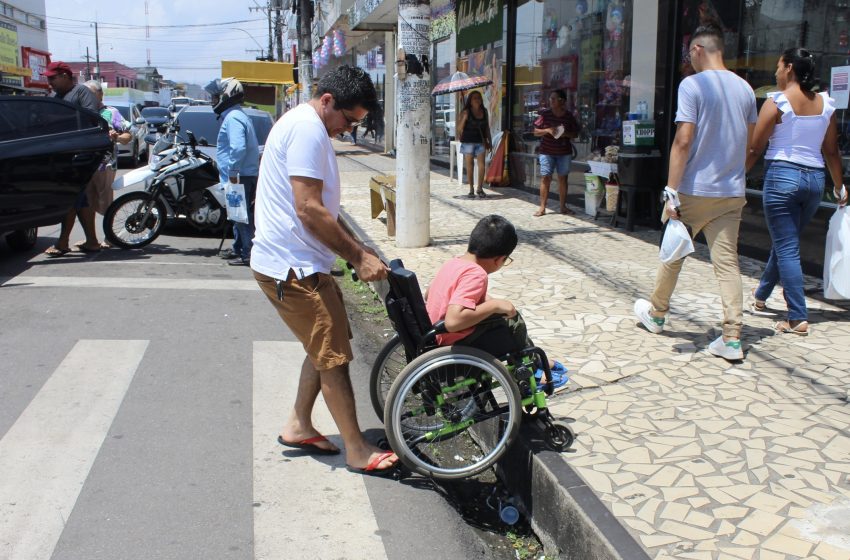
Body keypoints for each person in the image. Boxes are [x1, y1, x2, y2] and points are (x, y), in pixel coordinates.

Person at [250, 65, 398, 476]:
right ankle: (356, 448)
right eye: (348, 121)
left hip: (300, 262)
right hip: (292, 269)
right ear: (328, 101)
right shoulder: (308, 130)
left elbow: (323, 209)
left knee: (327, 345)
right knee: (333, 358)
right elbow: (308, 209)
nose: (347, 130)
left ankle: (299, 423)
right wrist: (357, 258)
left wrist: (359, 245)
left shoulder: (307, 125)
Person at [633, 25, 757, 361]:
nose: (689, 59)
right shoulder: (746, 89)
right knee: (727, 265)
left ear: (698, 49)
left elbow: (683, 140)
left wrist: (671, 189)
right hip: (731, 192)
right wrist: (736, 176)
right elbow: (750, 143)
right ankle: (732, 338)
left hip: (692, 189)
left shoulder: (692, 85)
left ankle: (657, 314)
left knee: (673, 251)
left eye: (689, 53)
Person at [746, 48, 847, 335]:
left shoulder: (776, 102)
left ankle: (797, 316)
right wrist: (839, 186)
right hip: (815, 181)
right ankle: (761, 295)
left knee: (787, 246)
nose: (776, 72)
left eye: (778, 67)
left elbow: (755, 147)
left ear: (789, 68)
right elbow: (831, 151)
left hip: (782, 177)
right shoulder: (826, 104)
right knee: (785, 242)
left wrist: (737, 175)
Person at [425, 215, 568, 390]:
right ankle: (532, 370)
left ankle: (536, 362)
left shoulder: (454, 263)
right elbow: (453, 321)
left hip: (434, 335)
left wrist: (488, 301)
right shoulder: (476, 274)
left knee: (503, 313)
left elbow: (431, 293)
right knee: (512, 322)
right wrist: (494, 306)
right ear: (499, 260)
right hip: (455, 341)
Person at [42, 62, 112, 257]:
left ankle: (65, 241)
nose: (49, 82)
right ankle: (89, 241)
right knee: (76, 198)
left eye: (52, 78)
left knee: (74, 197)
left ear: (65, 75)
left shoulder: (81, 92)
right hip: (65, 156)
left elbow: (91, 119)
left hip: (80, 154)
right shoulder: (56, 97)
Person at [79, 80, 132, 249]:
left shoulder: (111, 113)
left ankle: (109, 238)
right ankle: (91, 239)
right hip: (85, 166)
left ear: (100, 95)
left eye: (89, 93)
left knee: (106, 203)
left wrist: (116, 136)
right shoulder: (80, 113)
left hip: (105, 165)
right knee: (87, 203)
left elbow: (127, 136)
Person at [213, 78, 260, 267]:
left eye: (217, 95)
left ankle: (248, 253)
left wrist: (233, 172)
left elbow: (238, 148)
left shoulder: (233, 118)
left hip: (239, 176)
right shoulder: (237, 115)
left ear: (227, 94)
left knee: (240, 215)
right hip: (242, 174)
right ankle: (238, 247)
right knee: (237, 214)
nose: (214, 99)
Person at [533, 89, 579, 216]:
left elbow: (575, 133)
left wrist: (565, 134)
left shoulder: (569, 116)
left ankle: (563, 207)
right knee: (545, 178)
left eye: (554, 99)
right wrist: (547, 130)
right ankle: (542, 207)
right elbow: (535, 131)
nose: (551, 101)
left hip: (564, 152)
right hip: (547, 151)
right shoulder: (545, 114)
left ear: (562, 101)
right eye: (550, 99)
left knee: (563, 178)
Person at [456, 90, 493, 199]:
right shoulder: (465, 111)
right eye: (474, 98)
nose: (477, 100)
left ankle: (480, 188)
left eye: (479, 98)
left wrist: (489, 142)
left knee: (481, 165)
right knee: (470, 165)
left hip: (480, 141)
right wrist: (465, 117)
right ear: (470, 101)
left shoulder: (484, 111)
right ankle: (471, 188)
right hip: (468, 141)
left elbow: (487, 128)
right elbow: (459, 129)